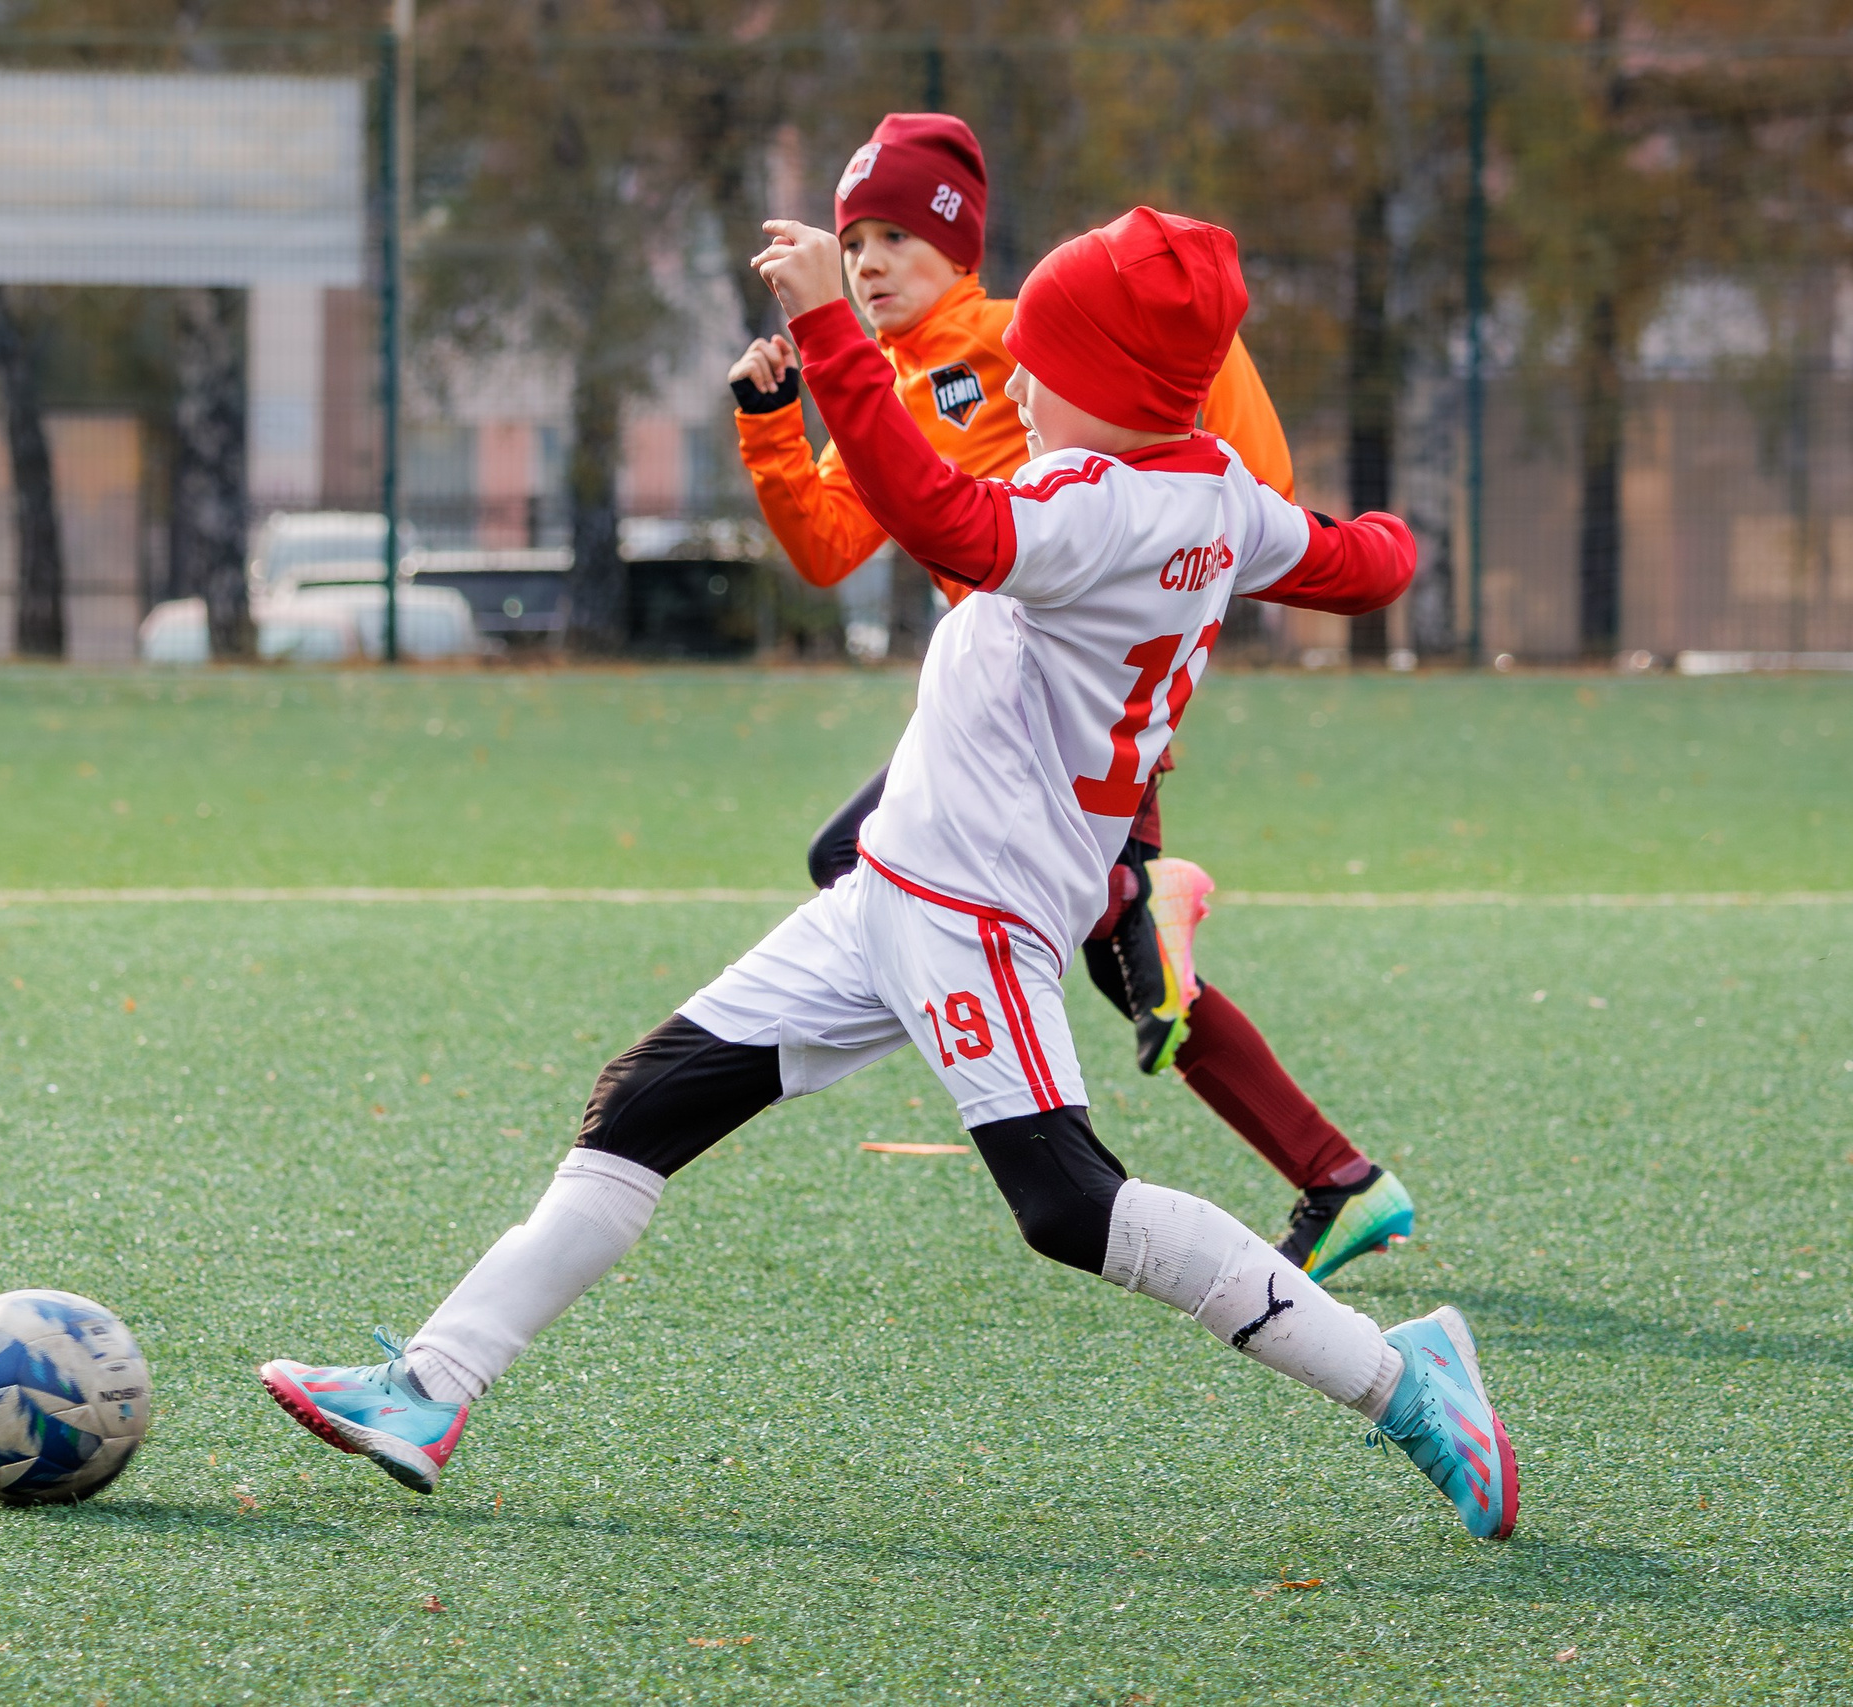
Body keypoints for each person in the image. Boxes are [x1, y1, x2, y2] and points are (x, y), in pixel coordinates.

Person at [260, 207, 1517, 1543]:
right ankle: (432, 1384)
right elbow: (1361, 563)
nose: (1020, 381)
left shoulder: (1089, 510)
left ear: (1116, 388)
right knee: (644, 1103)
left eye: (1046, 362)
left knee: (1068, 1204)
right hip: (898, 887)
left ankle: (1403, 1376)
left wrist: (825, 327)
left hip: (974, 910)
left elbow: (939, 515)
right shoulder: (1217, 496)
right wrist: (1394, 530)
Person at [732, 113, 1406, 1284]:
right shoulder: (891, 380)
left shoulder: (1015, 333)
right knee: (1106, 955)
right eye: (854, 243)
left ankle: (1119, 935)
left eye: (898, 236)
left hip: (1070, 712)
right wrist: (771, 425)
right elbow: (836, 544)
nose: (870, 262)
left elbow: (1186, 388)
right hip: (1009, 719)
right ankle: (1336, 1176)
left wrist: (1234, 511)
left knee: (869, 860)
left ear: (961, 250)